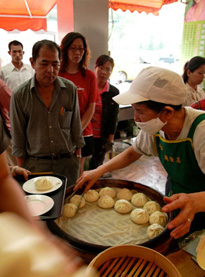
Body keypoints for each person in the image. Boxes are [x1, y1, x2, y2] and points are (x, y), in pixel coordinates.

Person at [75, 66, 205, 235]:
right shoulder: (158, 126)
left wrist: (196, 202)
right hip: (176, 196)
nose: (135, 119)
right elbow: (133, 152)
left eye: (139, 112)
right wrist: (99, 170)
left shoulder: (200, 132)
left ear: (167, 112)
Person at [10, 39, 85, 187]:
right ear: (32, 63)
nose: (50, 70)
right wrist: (24, 168)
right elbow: (18, 138)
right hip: (36, 167)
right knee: (40, 208)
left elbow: (76, 127)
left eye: (55, 64)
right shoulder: (20, 95)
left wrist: (77, 159)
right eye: (44, 64)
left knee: (69, 206)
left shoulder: (69, 89)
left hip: (67, 165)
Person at [59, 32, 97, 175]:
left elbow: (91, 107)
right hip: (61, 134)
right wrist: (66, 132)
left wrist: (77, 131)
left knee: (79, 173)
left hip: (83, 133)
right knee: (61, 172)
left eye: (81, 49)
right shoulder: (58, 75)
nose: (77, 52)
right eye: (73, 48)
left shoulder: (89, 76)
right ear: (65, 50)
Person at [89, 54, 119, 169]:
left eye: (108, 69)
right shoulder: (88, 87)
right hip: (85, 134)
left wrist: (109, 142)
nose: (103, 72)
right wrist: (87, 114)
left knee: (95, 167)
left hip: (101, 137)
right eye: (101, 68)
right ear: (95, 68)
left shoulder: (113, 92)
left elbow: (113, 118)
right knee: (81, 167)